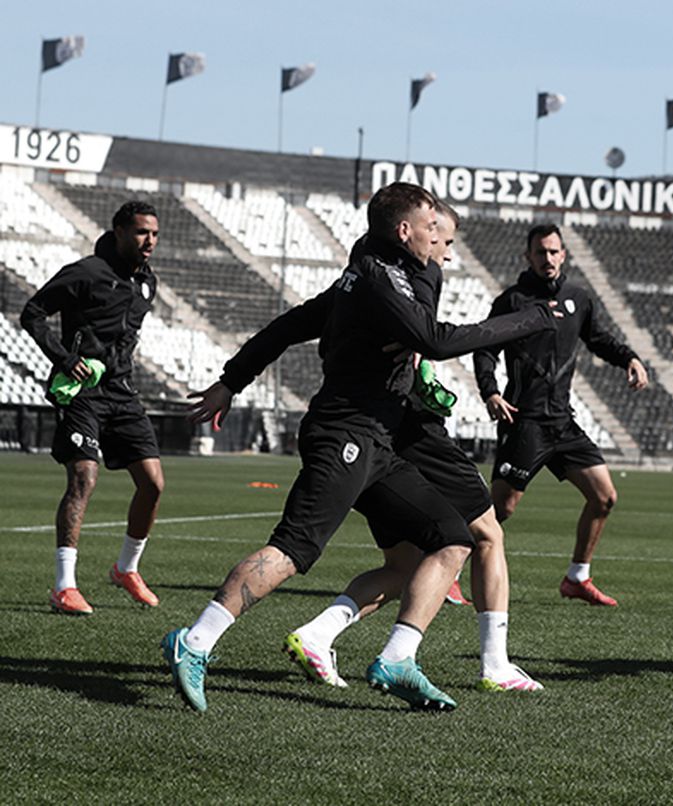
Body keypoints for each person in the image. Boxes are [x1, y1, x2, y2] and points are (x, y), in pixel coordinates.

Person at [162, 183, 557, 713]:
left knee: (451, 537)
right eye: (430, 227)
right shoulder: (376, 279)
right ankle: (196, 640)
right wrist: (530, 319)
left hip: (379, 441)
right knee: (294, 550)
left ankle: (397, 658)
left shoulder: (378, 275)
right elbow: (435, 340)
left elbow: (290, 325)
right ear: (404, 231)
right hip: (344, 435)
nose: (438, 236)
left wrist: (231, 381)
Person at [474, 223, 648, 607]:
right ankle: (449, 570)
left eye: (554, 252)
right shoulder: (512, 301)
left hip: (562, 422)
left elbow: (598, 339)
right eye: (540, 252)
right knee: (499, 509)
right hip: (524, 420)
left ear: (564, 254)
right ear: (528, 257)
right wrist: (490, 391)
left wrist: (629, 358)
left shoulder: (578, 299)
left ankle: (577, 578)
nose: (548, 258)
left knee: (604, 497)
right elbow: (484, 348)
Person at [20, 201, 165, 615]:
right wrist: (65, 359)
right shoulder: (85, 273)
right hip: (82, 393)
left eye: (154, 234)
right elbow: (32, 314)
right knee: (84, 478)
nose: (149, 241)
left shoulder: (147, 282)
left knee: (153, 484)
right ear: (118, 231)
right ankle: (64, 586)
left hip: (122, 392)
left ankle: (126, 569)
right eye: (141, 232)